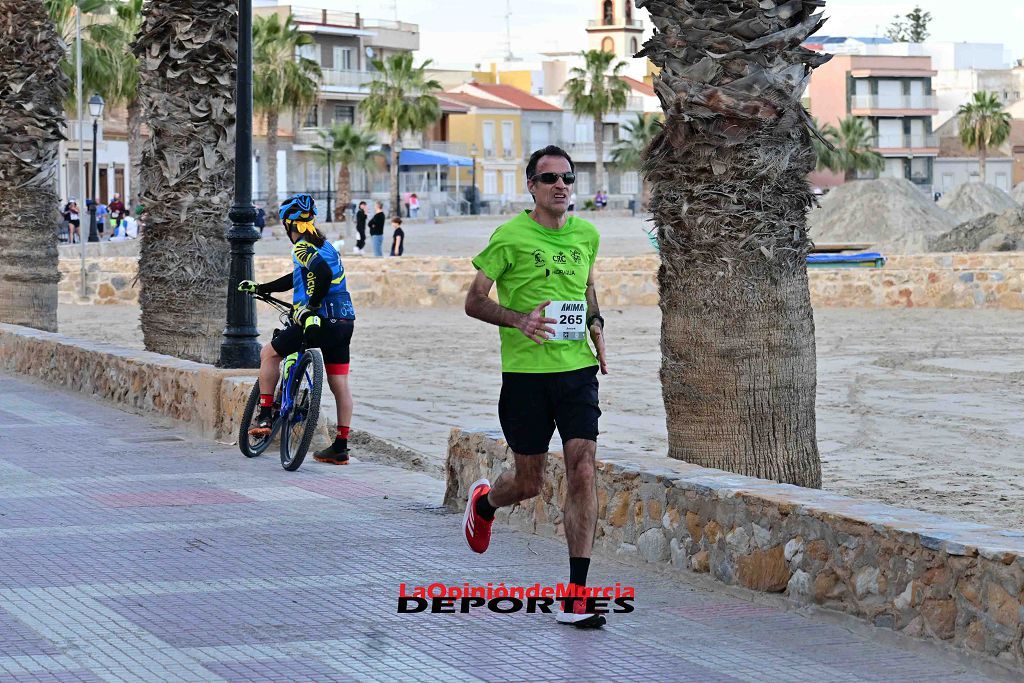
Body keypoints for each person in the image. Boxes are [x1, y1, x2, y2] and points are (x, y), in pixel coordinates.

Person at [461, 145, 609, 629]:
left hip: (576, 371)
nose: (561, 185)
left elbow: (585, 287)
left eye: (567, 177)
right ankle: (485, 503)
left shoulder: (587, 233)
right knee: (529, 482)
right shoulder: (510, 237)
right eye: (549, 179)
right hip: (525, 377)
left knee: (583, 469)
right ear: (532, 185)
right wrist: (517, 320)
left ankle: (577, 592)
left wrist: (597, 327)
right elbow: (474, 301)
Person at [237, 193, 357, 465]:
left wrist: (312, 307)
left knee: (269, 353)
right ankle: (341, 446)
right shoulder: (326, 246)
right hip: (345, 321)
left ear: (287, 224)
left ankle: (265, 414)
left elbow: (322, 275)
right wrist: (263, 288)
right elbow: (300, 276)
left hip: (320, 320)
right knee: (340, 383)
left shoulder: (301, 247)